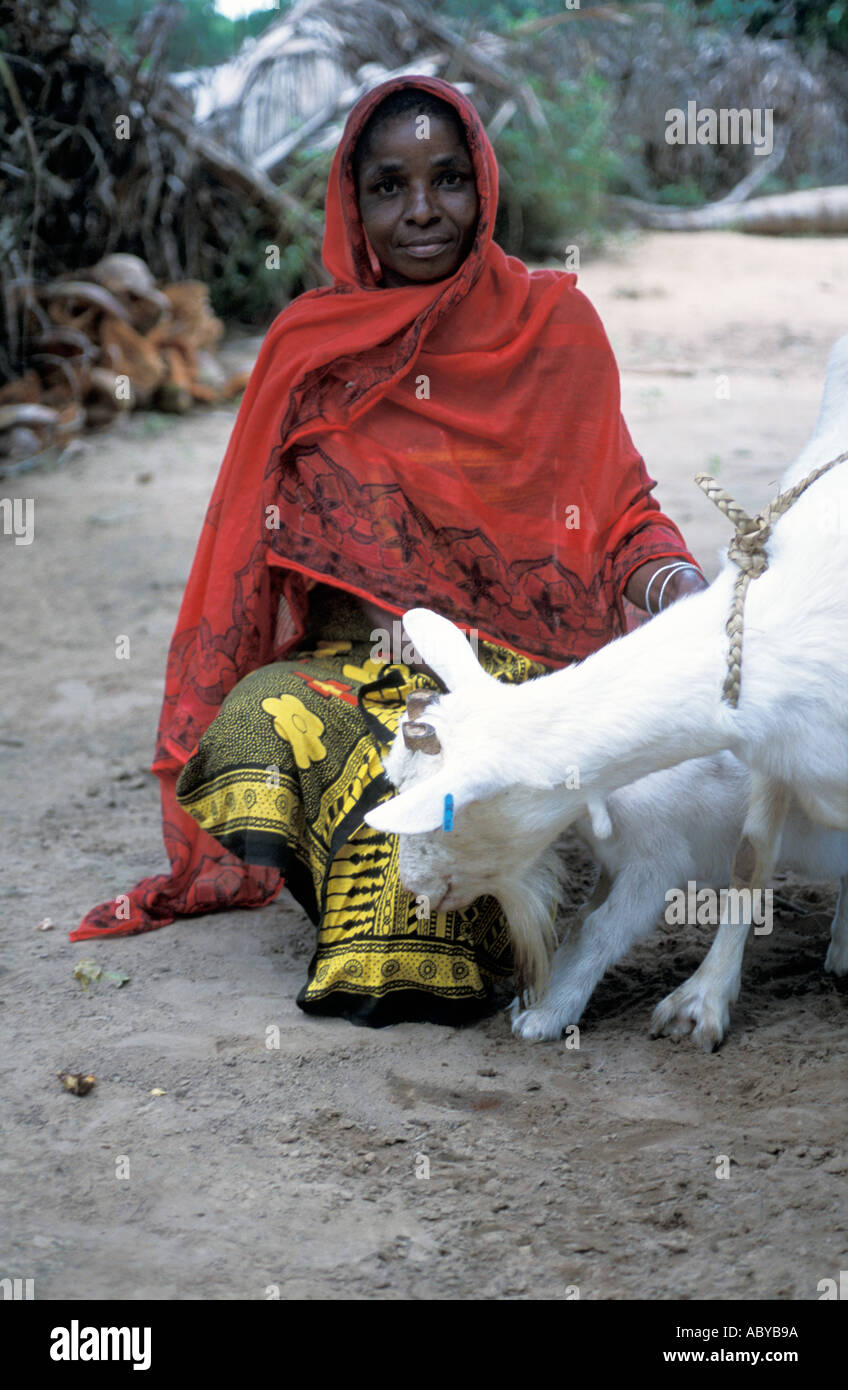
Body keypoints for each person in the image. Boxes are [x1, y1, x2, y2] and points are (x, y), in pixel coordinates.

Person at [71, 76, 707, 1026]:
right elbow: (248, 550)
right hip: (353, 671)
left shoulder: (554, 326)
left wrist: (676, 585)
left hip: (513, 683)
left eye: (448, 179)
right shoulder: (308, 347)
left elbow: (621, 511)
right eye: (389, 186)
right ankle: (371, 897)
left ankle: (465, 903)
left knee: (443, 822)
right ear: (352, 202)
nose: (422, 211)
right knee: (258, 716)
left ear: (483, 187)